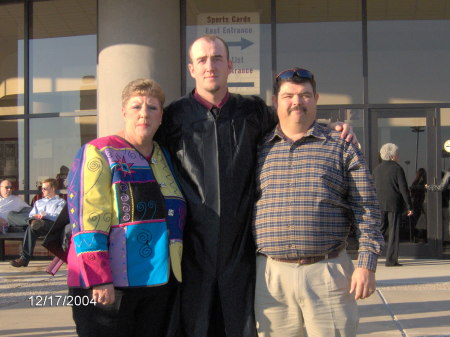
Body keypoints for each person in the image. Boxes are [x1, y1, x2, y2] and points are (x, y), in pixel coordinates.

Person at [161, 35, 356, 337]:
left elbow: (294, 121)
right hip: (192, 252)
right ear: (191, 68)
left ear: (230, 65)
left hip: (241, 253)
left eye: (216, 58)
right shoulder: (174, 117)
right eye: (202, 60)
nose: (209, 66)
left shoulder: (252, 111)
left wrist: (331, 127)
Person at [251, 67, 384, 337]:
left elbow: (367, 208)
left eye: (305, 95)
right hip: (270, 278)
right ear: (276, 101)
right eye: (288, 95)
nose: (297, 102)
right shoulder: (257, 147)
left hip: (329, 274)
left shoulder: (341, 145)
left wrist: (366, 264)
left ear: (316, 98)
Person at [66, 79, 186, 337]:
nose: (144, 113)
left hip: (159, 284)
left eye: (152, 107)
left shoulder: (164, 157)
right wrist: (99, 277)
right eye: (136, 106)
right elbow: (88, 217)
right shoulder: (99, 152)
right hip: (108, 285)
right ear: (124, 112)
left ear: (161, 116)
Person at [10, 178, 65, 267]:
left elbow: (57, 217)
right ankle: (24, 259)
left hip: (51, 225)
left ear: (53, 188)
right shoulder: (38, 202)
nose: (42, 190)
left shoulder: (60, 202)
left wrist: (44, 215)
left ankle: (24, 258)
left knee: (34, 225)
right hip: (37, 223)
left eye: (45, 188)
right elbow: (31, 214)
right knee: (26, 223)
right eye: (42, 188)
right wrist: (34, 217)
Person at [373, 143, 413, 267]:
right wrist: (409, 206)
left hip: (379, 204)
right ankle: (391, 260)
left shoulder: (377, 169)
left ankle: (371, 257)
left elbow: (372, 187)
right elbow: (403, 189)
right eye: (397, 154)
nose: (398, 156)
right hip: (394, 204)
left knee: (379, 230)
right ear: (391, 156)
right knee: (393, 232)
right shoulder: (397, 169)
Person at [426, 170, 450, 242]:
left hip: (445, 203)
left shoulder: (448, 173)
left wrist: (429, 187)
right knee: (446, 222)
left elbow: (441, 187)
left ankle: (445, 240)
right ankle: (446, 239)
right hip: (445, 204)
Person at [410, 168, 427, 242]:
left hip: (418, 203)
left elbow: (412, 193)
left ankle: (417, 237)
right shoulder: (423, 182)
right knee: (421, 221)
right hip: (420, 203)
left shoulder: (415, 182)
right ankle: (420, 237)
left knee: (419, 221)